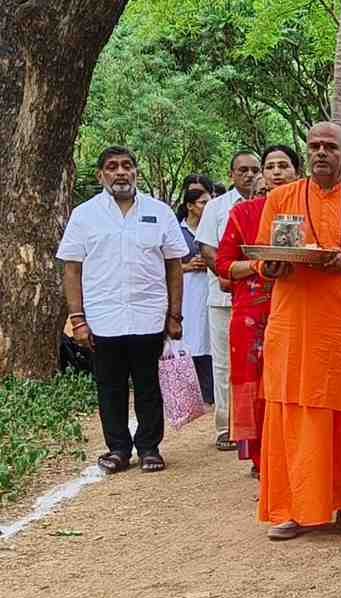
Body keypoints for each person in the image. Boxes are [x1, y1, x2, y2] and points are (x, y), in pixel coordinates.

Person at [252, 122, 341, 541]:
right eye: (314, 146)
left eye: (329, 146)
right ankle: (291, 509)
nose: (321, 153)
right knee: (291, 419)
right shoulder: (281, 198)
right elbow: (265, 257)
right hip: (294, 330)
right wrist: (272, 265)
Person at [59, 146, 188, 474]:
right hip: (103, 319)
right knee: (110, 386)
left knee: (148, 385)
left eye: (127, 166)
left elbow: (174, 264)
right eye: (113, 167)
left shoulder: (159, 211)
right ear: (101, 174)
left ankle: (149, 447)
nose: (120, 172)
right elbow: (72, 269)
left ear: (136, 172)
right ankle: (117, 448)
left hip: (149, 316)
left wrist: (175, 315)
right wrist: (78, 319)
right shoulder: (84, 215)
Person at [216, 144, 302, 478]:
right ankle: (262, 460)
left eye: (284, 165)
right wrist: (259, 267)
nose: (277, 172)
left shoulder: (307, 210)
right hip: (251, 314)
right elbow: (223, 265)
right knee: (254, 387)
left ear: (297, 172)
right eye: (271, 166)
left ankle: (293, 455)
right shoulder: (244, 214)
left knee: (292, 385)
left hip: (298, 309)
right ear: (263, 174)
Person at [195, 150, 261, 451]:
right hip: (224, 297)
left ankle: (257, 426)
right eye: (242, 170)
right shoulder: (217, 207)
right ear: (231, 174)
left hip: (264, 299)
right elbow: (209, 250)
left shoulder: (278, 204)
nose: (249, 175)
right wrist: (232, 281)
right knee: (224, 365)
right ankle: (226, 426)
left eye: (253, 169)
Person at [176, 177, 215, 406]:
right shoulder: (178, 230)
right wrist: (189, 266)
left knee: (208, 338)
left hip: (208, 289)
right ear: (190, 206)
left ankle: (209, 391)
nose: (206, 207)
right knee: (189, 337)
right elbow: (164, 264)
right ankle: (187, 392)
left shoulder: (211, 229)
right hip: (187, 292)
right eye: (202, 203)